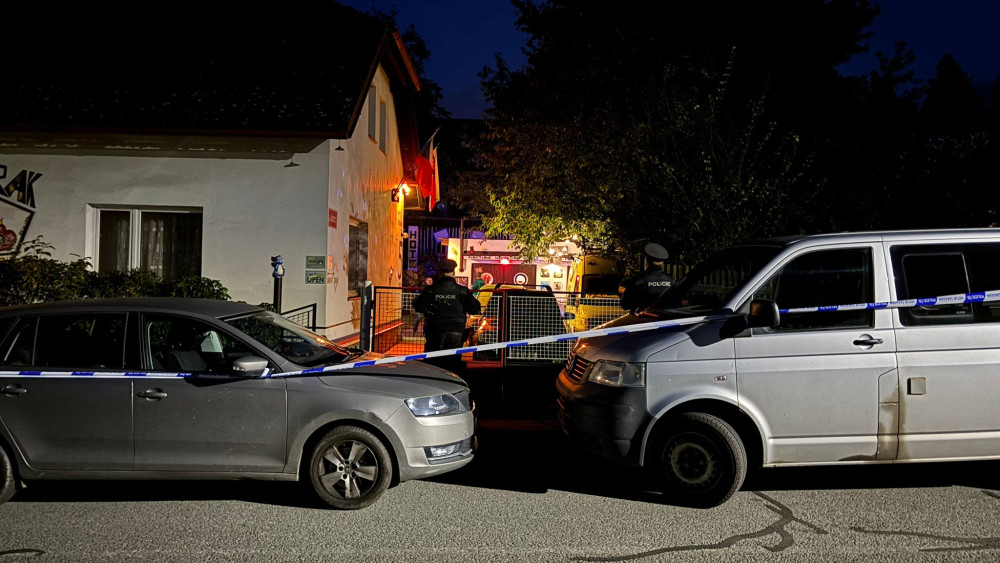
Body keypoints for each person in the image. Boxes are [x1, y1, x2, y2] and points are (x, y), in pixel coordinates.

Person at [412, 259, 482, 372]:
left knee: (433, 364)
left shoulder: (431, 290)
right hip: (456, 332)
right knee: (453, 363)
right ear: (454, 273)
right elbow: (475, 309)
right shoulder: (462, 291)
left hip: (434, 330)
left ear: (440, 273)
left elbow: (418, 306)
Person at [618, 243, 674, 312]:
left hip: (645, 316)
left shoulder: (637, 280)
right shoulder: (671, 280)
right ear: (662, 263)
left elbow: (625, 305)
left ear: (646, 261)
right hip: (665, 317)